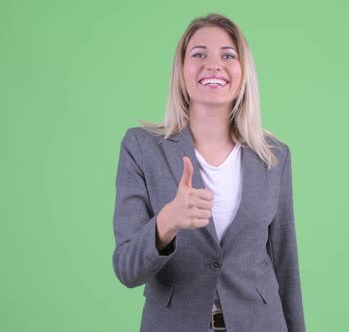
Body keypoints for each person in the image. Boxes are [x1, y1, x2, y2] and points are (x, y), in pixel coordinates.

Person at [112, 13, 305, 332]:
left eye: (228, 55)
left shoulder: (274, 155)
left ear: (244, 71)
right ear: (182, 69)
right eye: (199, 54)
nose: (214, 64)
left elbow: (286, 265)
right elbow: (126, 269)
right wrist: (167, 222)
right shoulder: (141, 147)